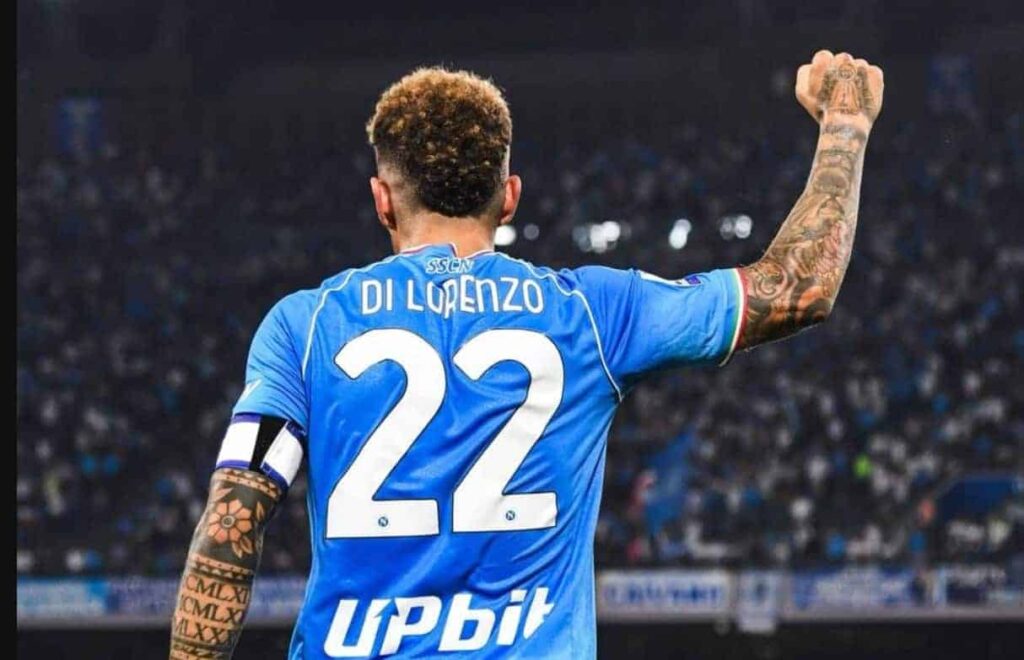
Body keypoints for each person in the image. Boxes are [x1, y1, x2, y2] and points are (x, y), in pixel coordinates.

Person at [169, 50, 883, 659]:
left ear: (382, 200)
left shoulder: (304, 326)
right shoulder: (593, 313)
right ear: (508, 197)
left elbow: (232, 523)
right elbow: (798, 289)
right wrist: (844, 127)